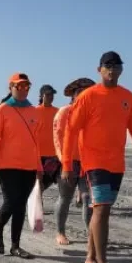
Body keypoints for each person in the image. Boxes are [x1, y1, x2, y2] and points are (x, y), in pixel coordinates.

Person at [61, 52, 132, 263]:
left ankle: (90, 257)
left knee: (100, 210)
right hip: (93, 162)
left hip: (116, 163)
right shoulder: (88, 97)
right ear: (99, 70)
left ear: (121, 69)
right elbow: (71, 131)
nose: (112, 69)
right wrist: (66, 165)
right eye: (107, 66)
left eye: (116, 65)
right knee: (101, 210)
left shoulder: (127, 97)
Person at [0, 73, 44, 259]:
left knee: (20, 207)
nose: (23, 90)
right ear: (11, 87)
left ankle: (16, 246)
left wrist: (39, 167)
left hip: (28, 167)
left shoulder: (34, 111)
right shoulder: (2, 111)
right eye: (19, 86)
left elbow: (37, 143)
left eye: (27, 86)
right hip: (7, 166)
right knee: (11, 202)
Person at [52, 77, 95, 246]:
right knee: (65, 197)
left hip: (87, 163)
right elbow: (57, 140)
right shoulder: (64, 112)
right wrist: (65, 163)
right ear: (74, 95)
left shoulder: (92, 114)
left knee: (87, 198)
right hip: (68, 163)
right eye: (81, 92)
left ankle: (91, 235)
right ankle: (60, 232)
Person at [36, 85, 60, 192]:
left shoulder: (58, 112)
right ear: (41, 96)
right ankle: (35, 207)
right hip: (37, 155)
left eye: (52, 94)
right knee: (37, 186)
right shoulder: (34, 111)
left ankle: (34, 206)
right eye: (48, 94)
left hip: (53, 156)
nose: (51, 97)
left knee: (44, 184)